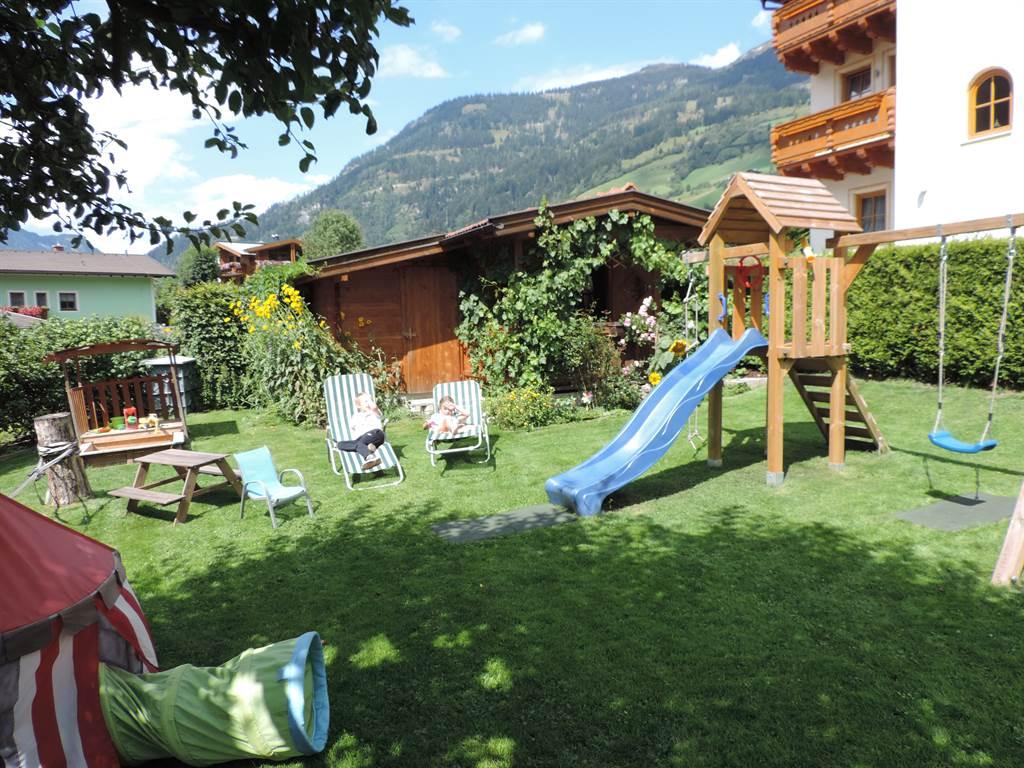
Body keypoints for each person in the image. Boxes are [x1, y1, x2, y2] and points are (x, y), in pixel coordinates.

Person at [336, 392, 385, 469]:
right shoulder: (355, 417)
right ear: (358, 406)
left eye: (370, 400)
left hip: (376, 434)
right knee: (342, 444)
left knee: (357, 443)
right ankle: (370, 448)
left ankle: (370, 457)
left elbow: (374, 407)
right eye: (365, 401)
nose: (368, 403)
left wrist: (369, 400)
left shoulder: (374, 412)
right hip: (363, 439)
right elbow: (354, 430)